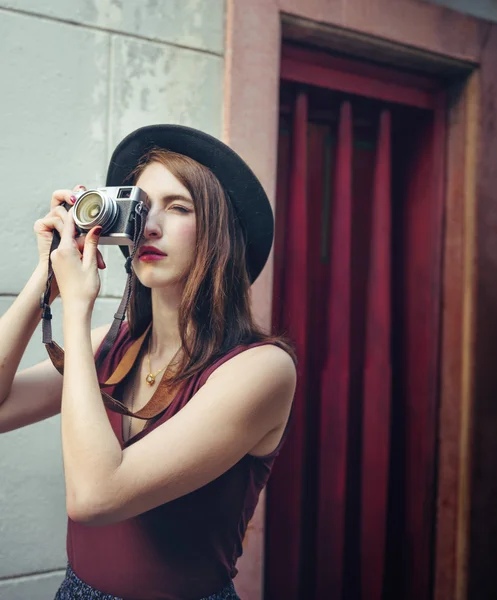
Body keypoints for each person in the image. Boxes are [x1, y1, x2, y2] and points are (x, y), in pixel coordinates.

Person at [0, 125, 297, 600]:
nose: (149, 226)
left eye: (178, 207)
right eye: (139, 208)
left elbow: (95, 497)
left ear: (220, 231)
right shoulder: (114, 347)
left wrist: (76, 314)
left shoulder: (260, 369)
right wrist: (46, 276)